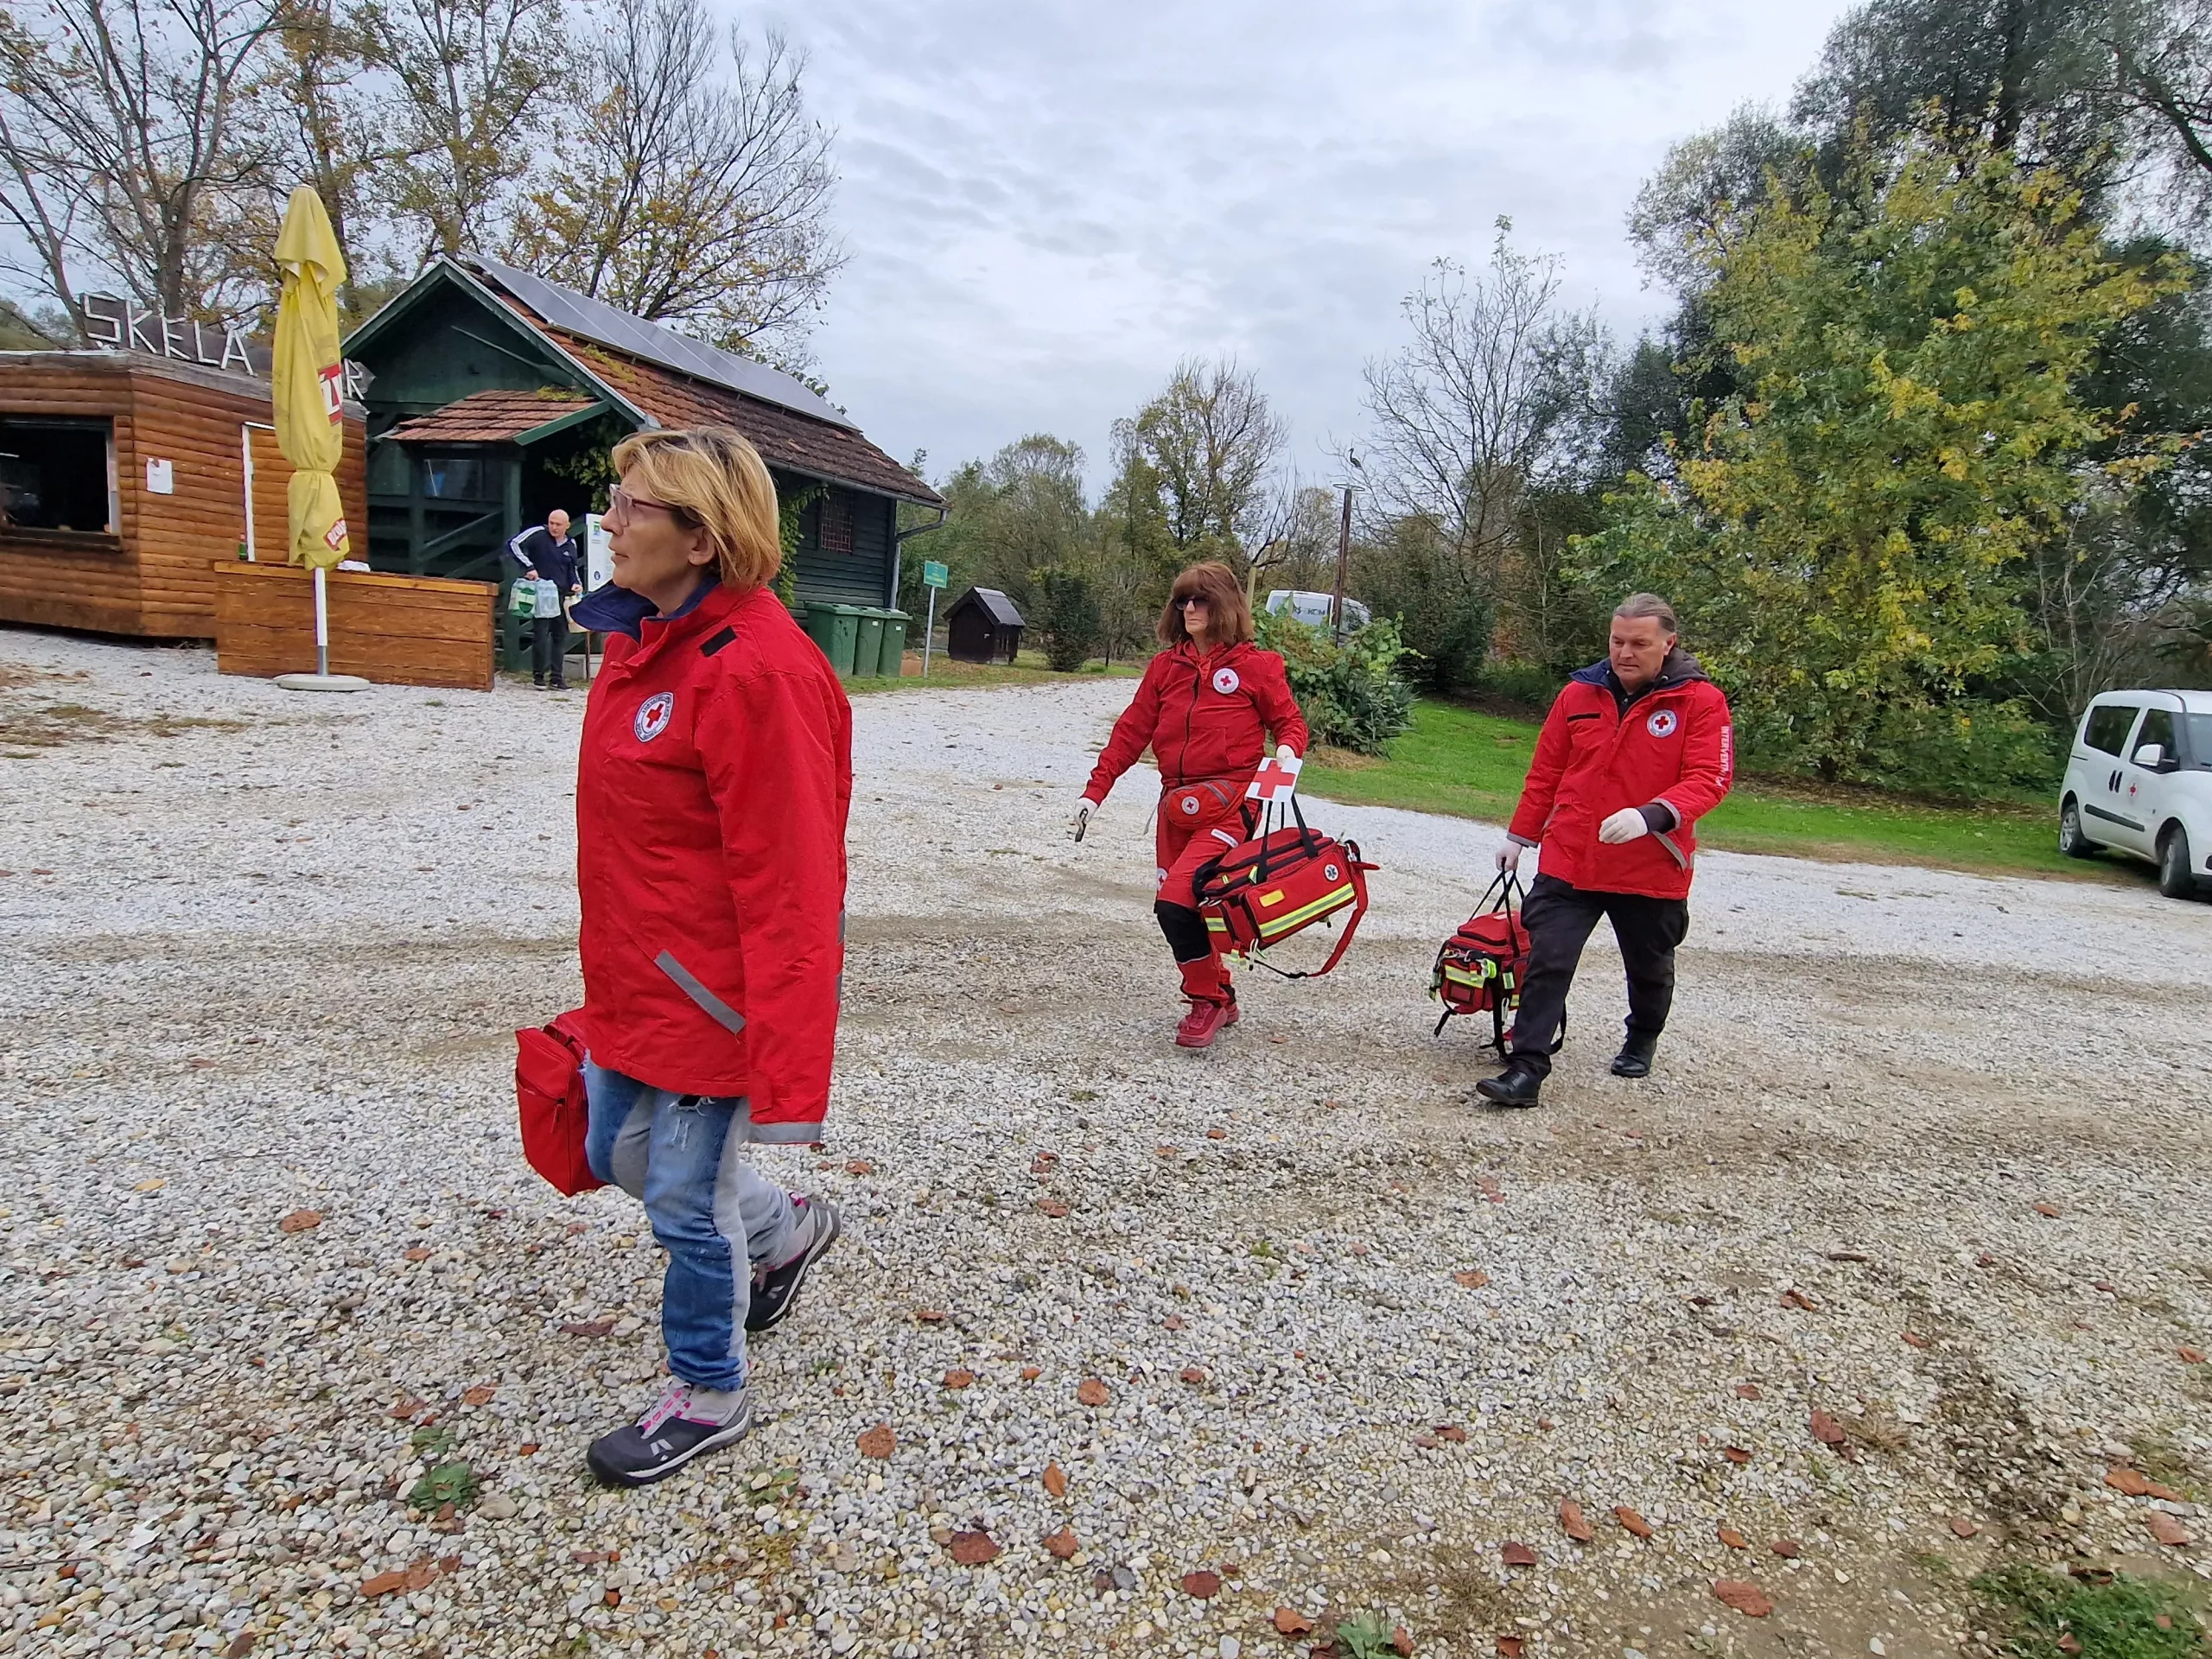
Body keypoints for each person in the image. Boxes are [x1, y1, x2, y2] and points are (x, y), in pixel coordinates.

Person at [564, 427, 850, 1485]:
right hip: (633, 978)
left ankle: (709, 1389)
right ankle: (783, 1233)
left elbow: (795, 881)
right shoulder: (643, 642)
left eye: (631, 507)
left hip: (713, 999)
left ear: (701, 537)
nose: (607, 522)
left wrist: (780, 1047)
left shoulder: (756, 674)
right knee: (616, 1153)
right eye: (614, 500)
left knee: (685, 1198)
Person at [1476, 594, 1734, 1109]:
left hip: (1650, 864)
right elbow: (1547, 771)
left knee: (1649, 964)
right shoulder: (1578, 694)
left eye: (1639, 643)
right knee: (1547, 959)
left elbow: (1711, 778)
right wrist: (1520, 835)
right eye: (1617, 641)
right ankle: (1526, 1068)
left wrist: (1651, 815)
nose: (1625, 652)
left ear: (1668, 644)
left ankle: (1642, 1036)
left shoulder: (1702, 702)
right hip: (1571, 856)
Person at [1071, 560, 1310, 1050]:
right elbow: (1130, 732)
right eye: (1182, 600)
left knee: (1175, 903)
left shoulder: (1257, 666)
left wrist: (1288, 751)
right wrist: (1094, 793)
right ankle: (1221, 991)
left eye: (1201, 600)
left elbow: (1290, 722)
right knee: (1191, 907)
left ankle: (1207, 1001)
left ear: (1225, 606)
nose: (1189, 609)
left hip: (1231, 805)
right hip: (1175, 807)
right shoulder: (1166, 668)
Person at [508, 508, 583, 688]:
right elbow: (513, 544)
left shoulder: (571, 543)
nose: (554, 527)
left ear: (567, 526)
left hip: (562, 594)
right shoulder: (538, 534)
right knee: (540, 635)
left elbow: (572, 568)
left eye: (558, 524)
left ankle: (557, 677)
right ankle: (539, 675)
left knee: (560, 636)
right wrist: (528, 567)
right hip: (542, 592)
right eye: (551, 523)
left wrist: (576, 583)